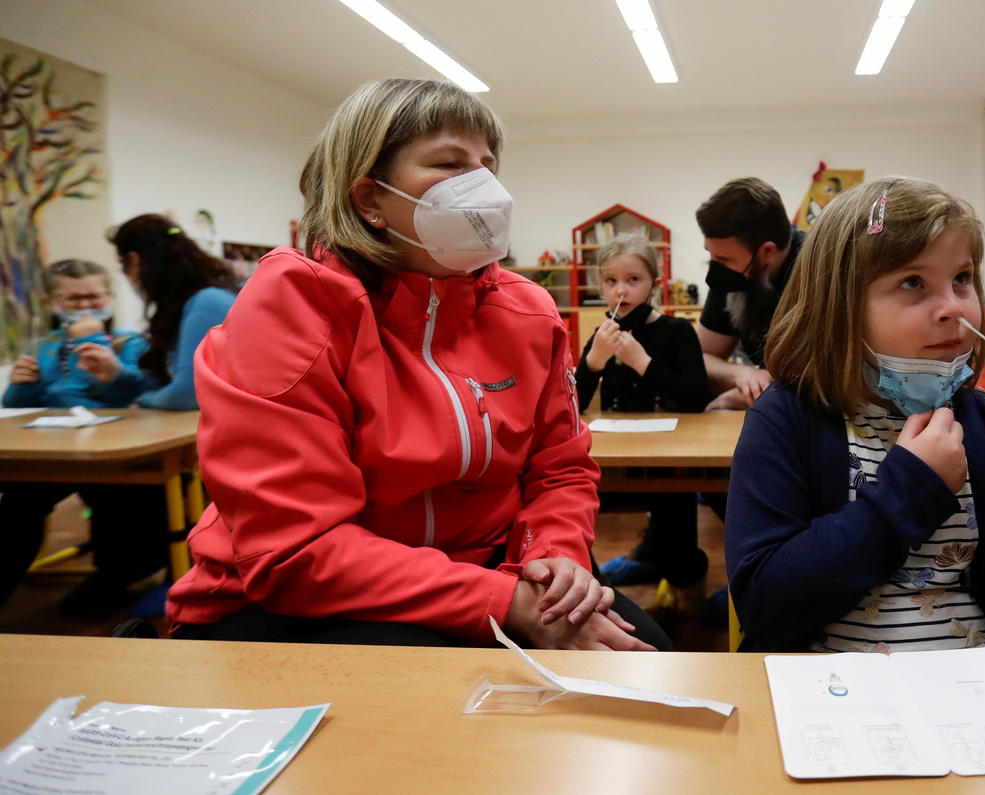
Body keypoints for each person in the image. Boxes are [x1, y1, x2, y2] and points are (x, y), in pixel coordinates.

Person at [166, 78, 666, 651]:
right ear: (369, 199)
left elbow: (560, 468)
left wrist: (553, 559)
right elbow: (295, 550)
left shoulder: (527, 311)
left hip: (491, 570)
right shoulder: (290, 309)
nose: (482, 187)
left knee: (641, 655)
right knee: (446, 689)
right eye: (450, 164)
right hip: (296, 599)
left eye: (488, 166)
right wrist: (506, 603)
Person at [726, 176, 985, 653]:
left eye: (961, 279)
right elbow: (764, 606)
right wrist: (911, 489)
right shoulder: (784, 421)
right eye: (912, 282)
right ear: (838, 306)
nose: (953, 309)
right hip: (827, 688)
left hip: (983, 685)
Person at [0, 259, 158, 612]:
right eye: (73, 299)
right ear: (50, 303)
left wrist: (91, 340)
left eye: (93, 297)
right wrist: (21, 385)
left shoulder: (128, 342)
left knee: (114, 500)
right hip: (53, 450)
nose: (85, 305)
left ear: (110, 298)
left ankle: (119, 571)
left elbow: (129, 394)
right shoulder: (43, 346)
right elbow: (17, 404)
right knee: (18, 504)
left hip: (114, 450)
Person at [575, 235, 710, 600]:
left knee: (674, 520)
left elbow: (695, 398)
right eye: (611, 281)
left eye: (633, 279)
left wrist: (642, 362)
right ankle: (595, 584)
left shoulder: (677, 332)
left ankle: (682, 577)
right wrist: (593, 361)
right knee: (571, 505)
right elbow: (573, 404)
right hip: (613, 456)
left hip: (667, 458)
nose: (621, 290)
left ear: (654, 284)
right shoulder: (602, 334)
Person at [99, 214, 239, 411]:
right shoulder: (189, 303)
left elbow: (189, 394)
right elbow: (170, 385)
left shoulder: (207, 303)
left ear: (134, 261)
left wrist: (142, 401)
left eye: (122, 265)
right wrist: (119, 375)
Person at [696, 177, 805, 411]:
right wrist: (740, 374)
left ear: (767, 252)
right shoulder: (732, 275)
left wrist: (729, 399)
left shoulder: (820, 274)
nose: (715, 268)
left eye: (723, 259)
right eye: (710, 254)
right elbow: (699, 358)